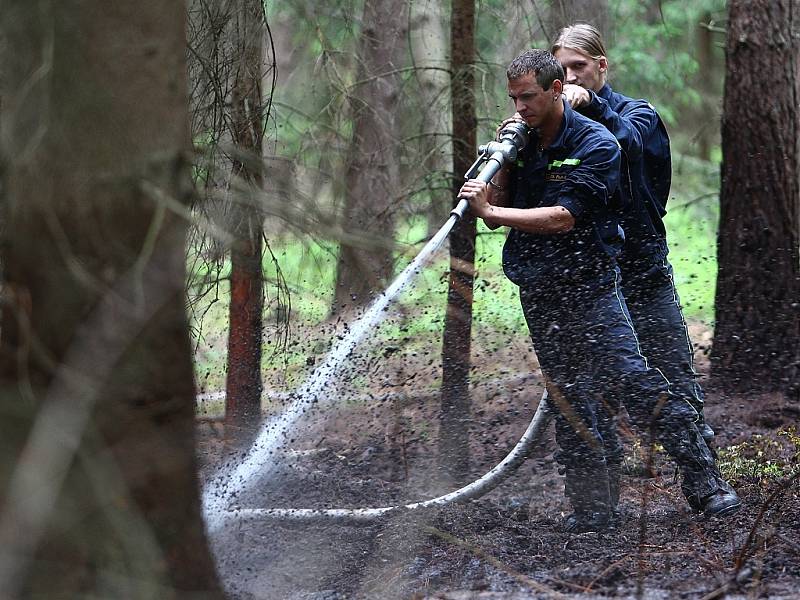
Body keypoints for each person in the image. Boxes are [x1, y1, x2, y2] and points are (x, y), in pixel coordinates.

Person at [458, 49, 739, 533]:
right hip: (540, 288)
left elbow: (565, 216)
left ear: (553, 90)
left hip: (590, 286)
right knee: (569, 398)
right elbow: (502, 198)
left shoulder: (597, 142)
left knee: (635, 380)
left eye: (529, 97)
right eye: (513, 99)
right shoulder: (522, 140)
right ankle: (594, 508)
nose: (521, 107)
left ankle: (706, 482)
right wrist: (498, 162)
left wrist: (492, 214)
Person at [551, 23, 715, 445]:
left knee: (671, 365)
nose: (570, 77)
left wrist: (591, 106)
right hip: (586, 274)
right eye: (562, 69)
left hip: (642, 264)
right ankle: (609, 482)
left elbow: (629, 145)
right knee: (595, 383)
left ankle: (702, 465)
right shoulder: (555, 132)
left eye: (579, 67)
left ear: (601, 66)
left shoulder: (636, 113)